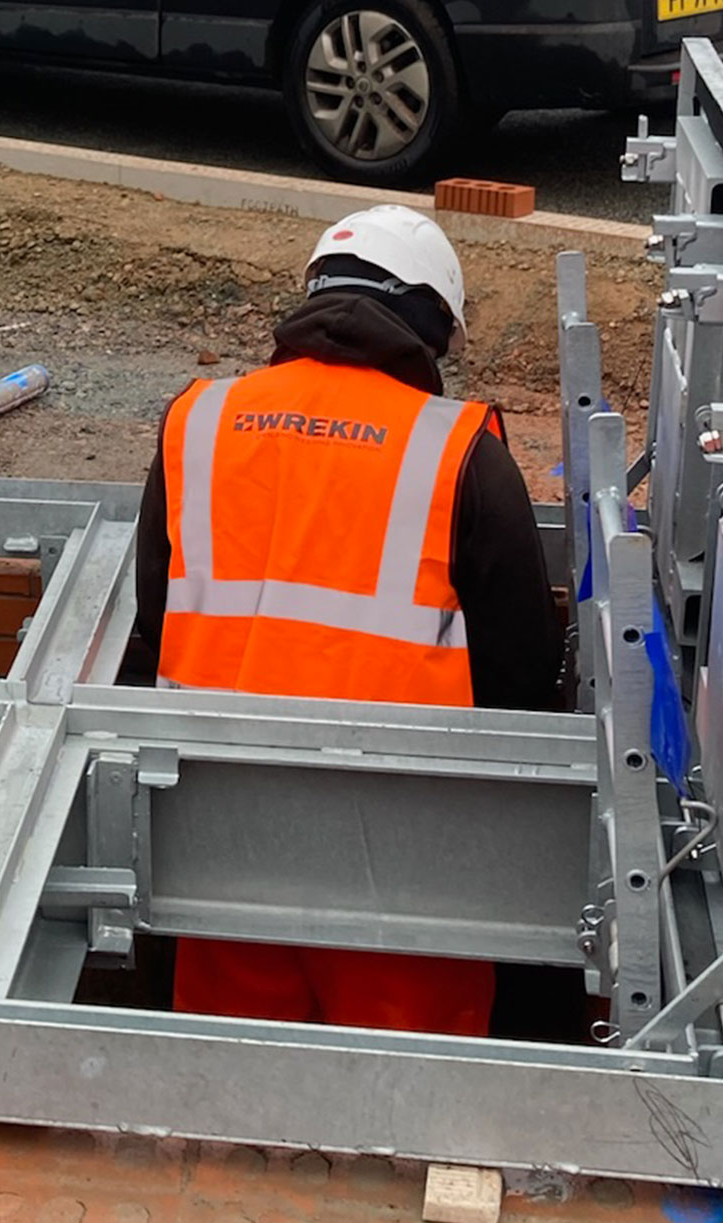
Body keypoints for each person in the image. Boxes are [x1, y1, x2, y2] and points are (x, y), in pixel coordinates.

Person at [128, 204, 566, 1036]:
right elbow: (521, 680)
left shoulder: (200, 421)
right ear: (434, 323)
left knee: (234, 1089)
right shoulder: (461, 451)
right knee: (410, 1102)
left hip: (219, 829)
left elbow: (157, 620)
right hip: (408, 851)